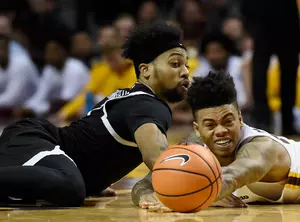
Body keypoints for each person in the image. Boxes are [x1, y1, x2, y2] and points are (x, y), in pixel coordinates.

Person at [0, 21, 190, 207]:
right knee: (71, 188)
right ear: (146, 70)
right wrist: (192, 189)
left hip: (30, 146)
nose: (185, 72)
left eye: (187, 66)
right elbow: (158, 158)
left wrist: (92, 180)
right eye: (175, 64)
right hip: (33, 142)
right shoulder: (148, 105)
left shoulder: (136, 98)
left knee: (68, 188)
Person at [132, 71, 300, 211]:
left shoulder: (261, 147)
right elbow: (144, 184)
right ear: (197, 129)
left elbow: (232, 175)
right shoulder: (192, 147)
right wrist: (147, 198)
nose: (221, 131)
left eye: (228, 121)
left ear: (240, 119)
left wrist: (187, 199)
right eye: (210, 125)